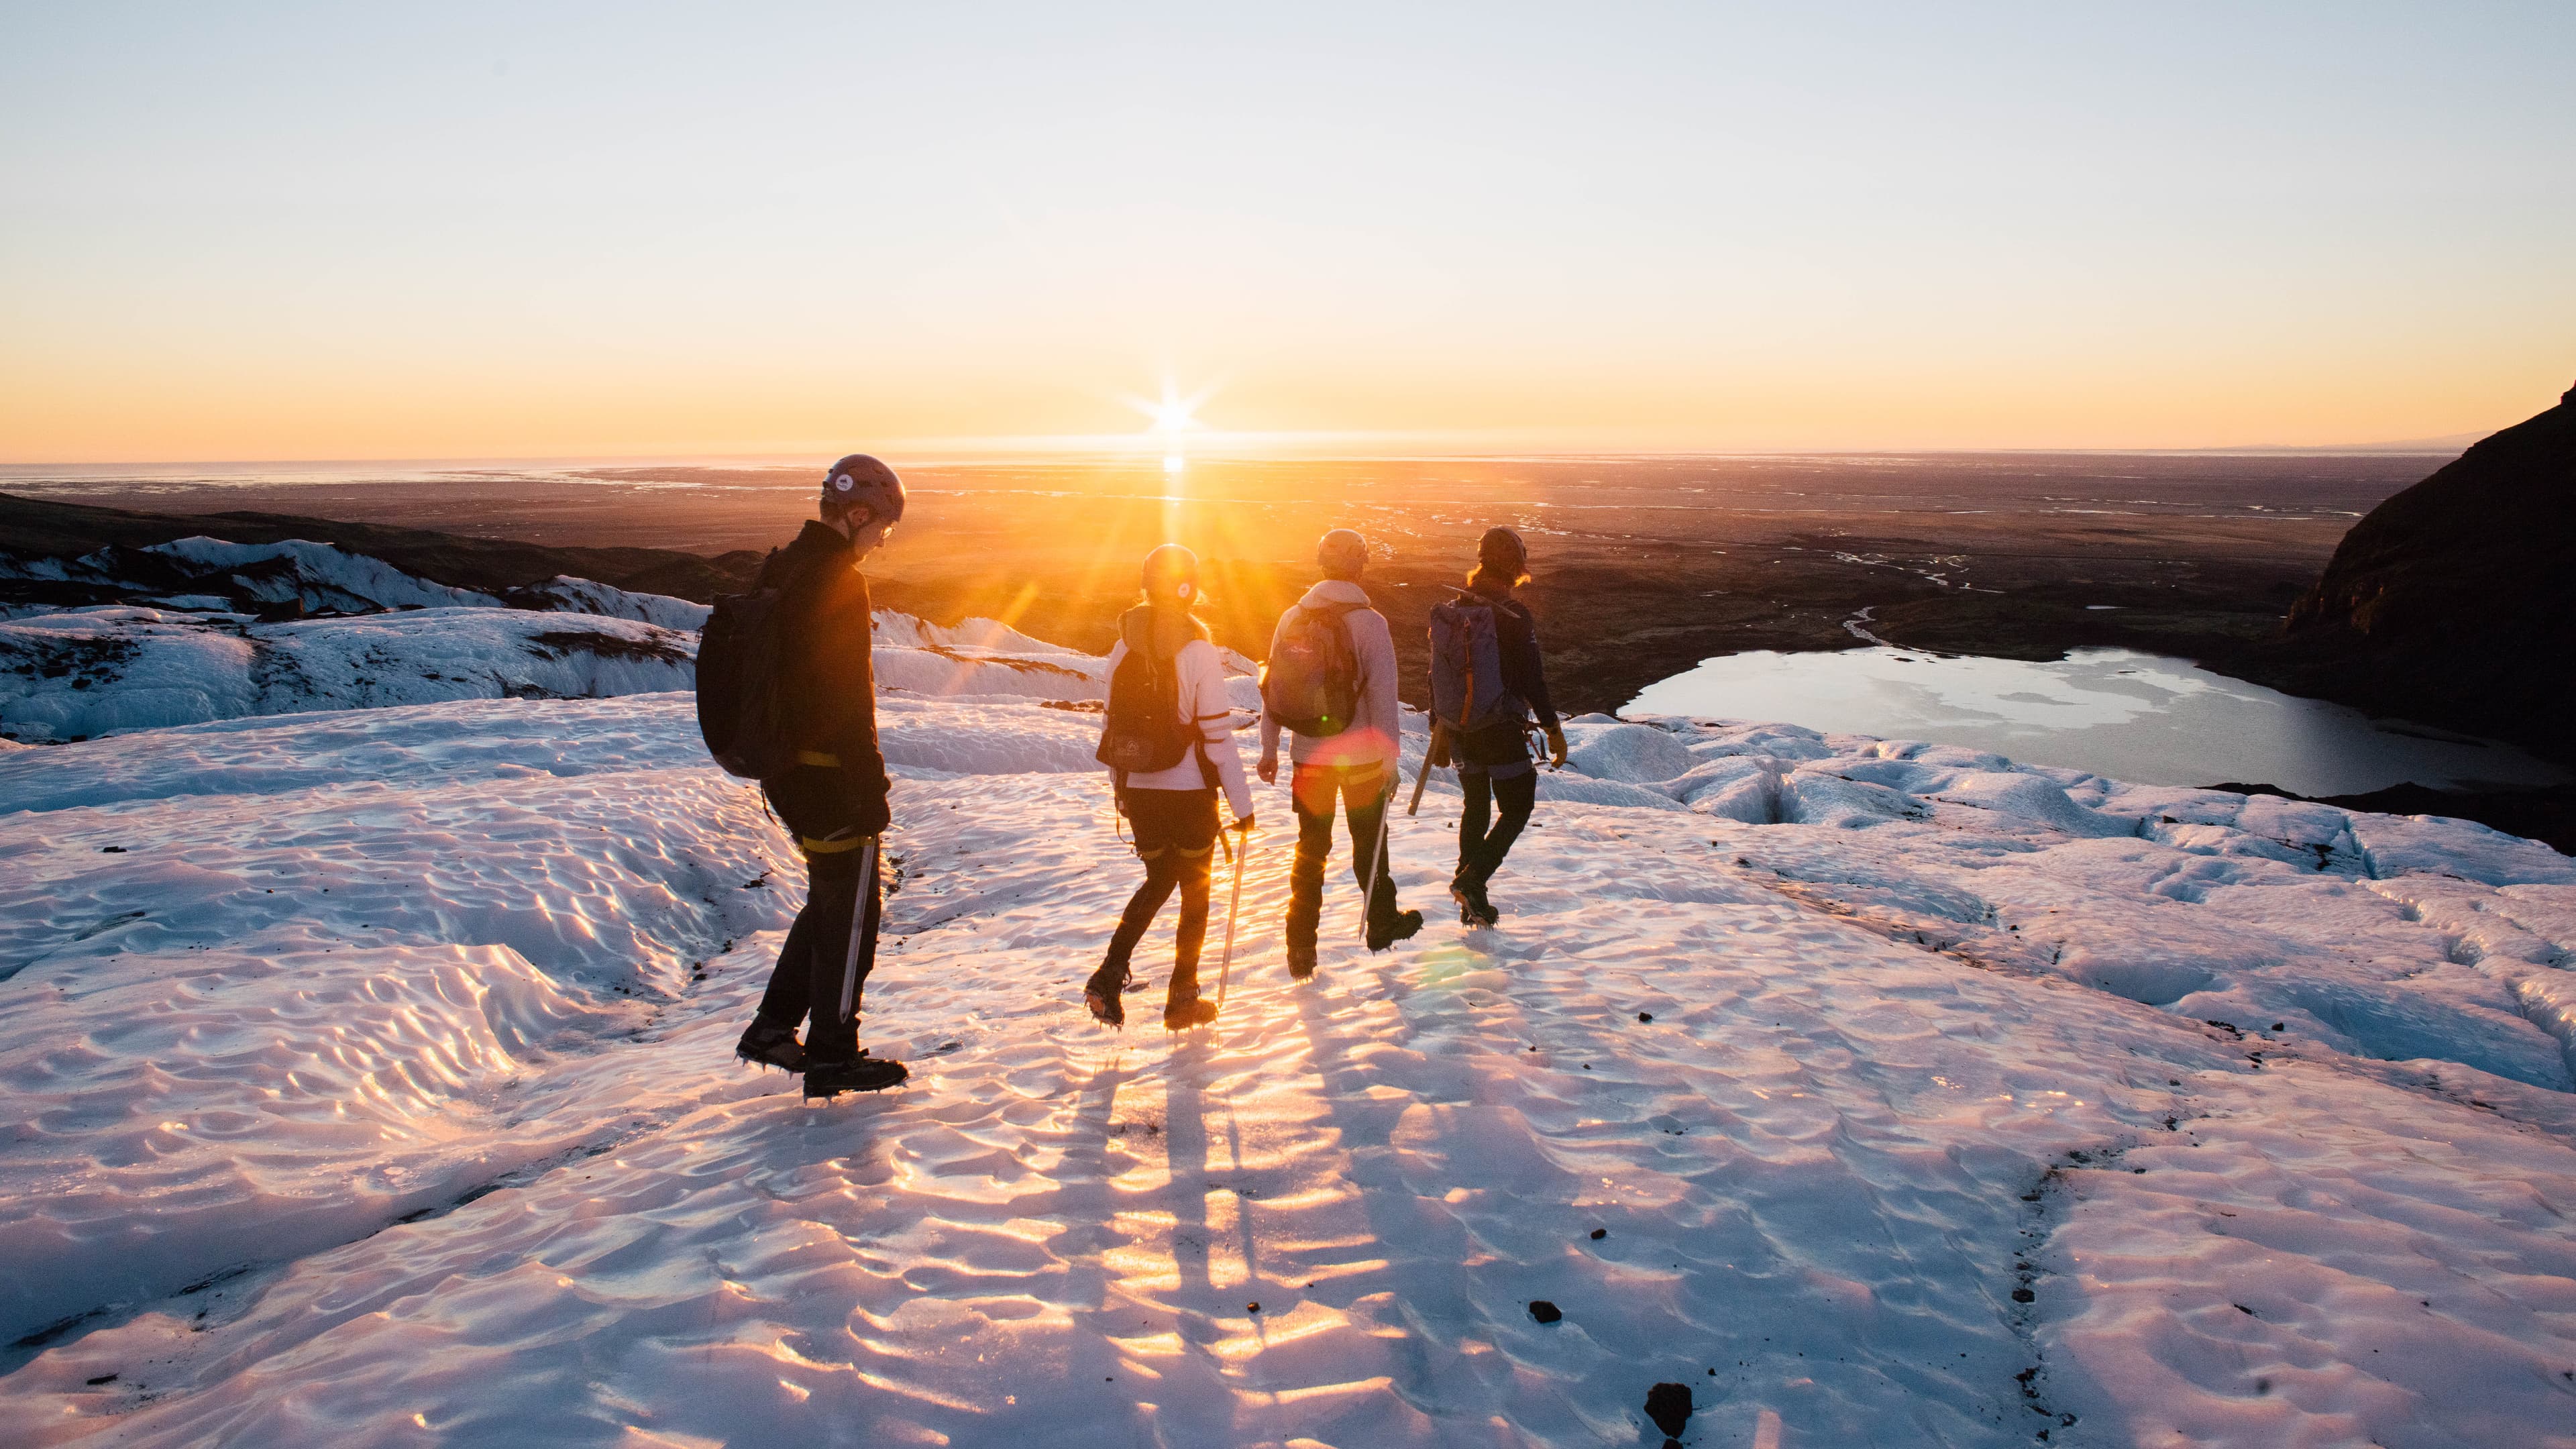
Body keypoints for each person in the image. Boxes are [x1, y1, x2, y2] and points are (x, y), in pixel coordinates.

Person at [733, 454, 910, 1097]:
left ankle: (772, 1029)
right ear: (858, 513)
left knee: (830, 900)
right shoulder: (836, 578)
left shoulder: (784, 567)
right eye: (882, 526)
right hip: (828, 776)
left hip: (784, 771)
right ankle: (835, 1052)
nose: (883, 540)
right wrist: (871, 788)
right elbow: (846, 699)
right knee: (853, 916)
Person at [1084, 545, 1256, 1030]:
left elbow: (1111, 725)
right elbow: (1218, 739)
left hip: (1140, 789)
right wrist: (1243, 806)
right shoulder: (1198, 649)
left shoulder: (1123, 646)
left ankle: (1110, 974)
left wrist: (1121, 786)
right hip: (1188, 791)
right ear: (1189, 588)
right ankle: (1182, 997)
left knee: (1158, 880)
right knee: (1196, 892)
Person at [1258, 529, 1424, 977]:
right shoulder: (1370, 623)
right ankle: (1382, 924)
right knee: (1369, 844)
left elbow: (1274, 688)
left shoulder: (1292, 616)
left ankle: (1300, 948)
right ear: (1359, 564)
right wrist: (1389, 764)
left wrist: (1269, 747)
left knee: (1311, 849)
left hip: (1307, 756)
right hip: (1361, 760)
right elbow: (1384, 700)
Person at [1444, 526, 1564, 926]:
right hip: (1499, 727)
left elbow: (1437, 674)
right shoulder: (1514, 616)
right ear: (1514, 566)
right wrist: (1552, 727)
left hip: (1460, 729)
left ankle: (1470, 899)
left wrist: (1440, 726)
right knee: (1518, 806)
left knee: (1475, 808)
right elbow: (1533, 678)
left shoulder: (1454, 609)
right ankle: (1474, 881)